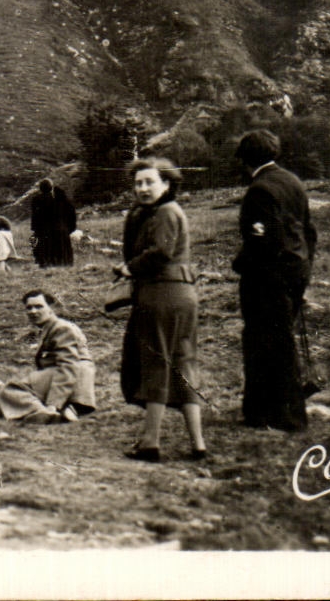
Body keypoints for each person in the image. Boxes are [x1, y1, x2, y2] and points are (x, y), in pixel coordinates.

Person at [114, 158, 207, 462]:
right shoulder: (162, 211)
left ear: (167, 184)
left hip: (161, 294)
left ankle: (150, 443)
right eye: (138, 183)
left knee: (156, 364)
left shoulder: (165, 212)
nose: (142, 188)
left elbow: (161, 252)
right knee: (183, 363)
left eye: (149, 182)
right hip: (182, 294)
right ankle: (197, 444)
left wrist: (129, 269)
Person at [231, 130, 317, 432]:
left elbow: (264, 243)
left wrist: (241, 264)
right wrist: (304, 267)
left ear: (245, 160)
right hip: (296, 271)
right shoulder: (292, 181)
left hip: (268, 279)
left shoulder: (259, 191)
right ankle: (264, 412)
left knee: (266, 343)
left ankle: (284, 416)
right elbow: (309, 231)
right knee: (277, 341)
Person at [0, 290, 97, 423]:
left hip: (76, 377)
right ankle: (58, 410)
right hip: (72, 377)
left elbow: (68, 366)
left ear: (52, 308)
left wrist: (53, 404)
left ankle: (44, 412)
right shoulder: (51, 327)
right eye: (29, 307)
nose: (33, 311)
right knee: (22, 385)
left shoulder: (61, 328)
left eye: (39, 306)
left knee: (10, 389)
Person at [29, 179, 56, 267]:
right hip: (52, 226)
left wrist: (33, 227)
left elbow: (34, 214)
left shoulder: (35, 199)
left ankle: (41, 260)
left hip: (39, 226)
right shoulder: (55, 199)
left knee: (40, 243)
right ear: (51, 188)